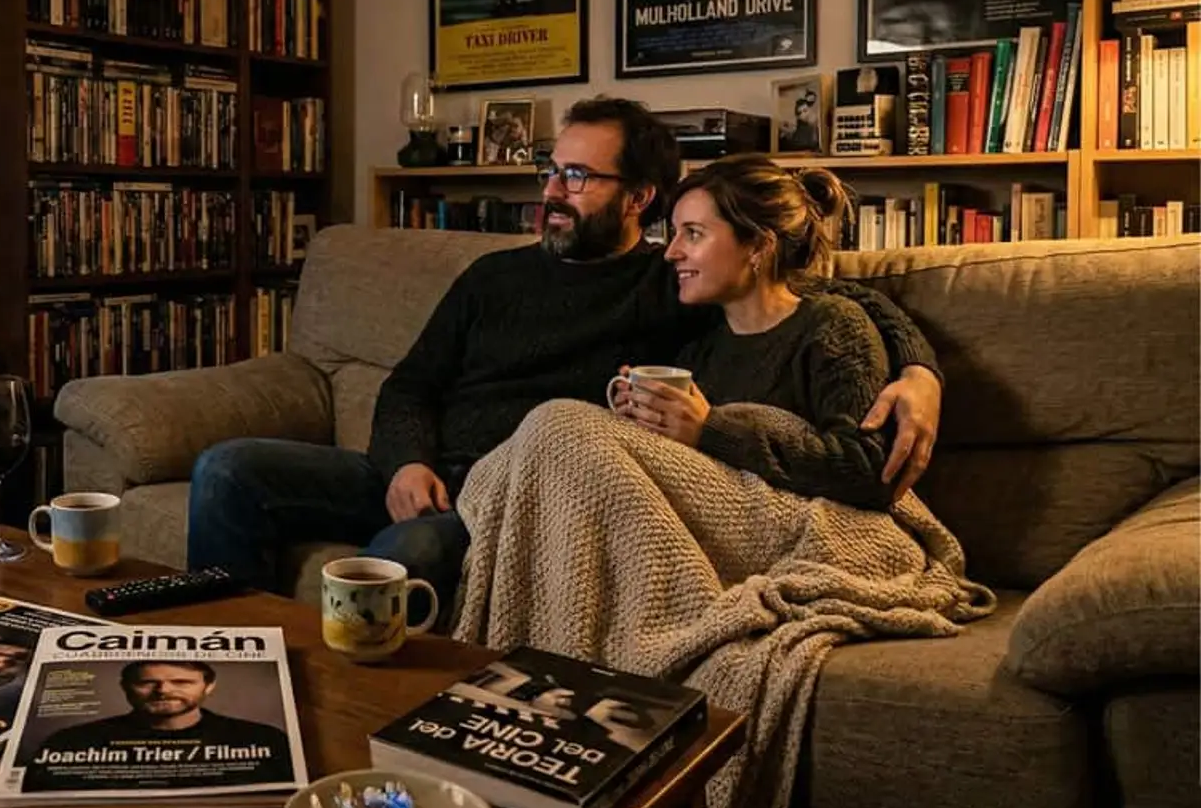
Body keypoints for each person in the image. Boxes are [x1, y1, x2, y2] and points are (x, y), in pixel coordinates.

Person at [185, 97, 942, 610]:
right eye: (552, 169)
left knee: (402, 556)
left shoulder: (673, 284)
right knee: (230, 468)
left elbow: (819, 295)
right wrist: (405, 462)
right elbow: (412, 385)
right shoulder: (492, 277)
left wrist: (918, 371)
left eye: (577, 177)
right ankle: (221, 659)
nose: (552, 190)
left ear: (639, 196)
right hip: (423, 472)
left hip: (506, 496)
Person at [611, 156, 893, 509]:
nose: (672, 252)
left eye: (694, 233)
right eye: (674, 233)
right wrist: (648, 418)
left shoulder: (834, 326)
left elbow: (868, 471)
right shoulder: (702, 344)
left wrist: (711, 430)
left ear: (759, 246)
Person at [23, 661, 291, 790]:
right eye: (147, 683)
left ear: (209, 687)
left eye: (182, 682)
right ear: (126, 688)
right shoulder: (70, 742)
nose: (163, 691)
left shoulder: (264, 739)